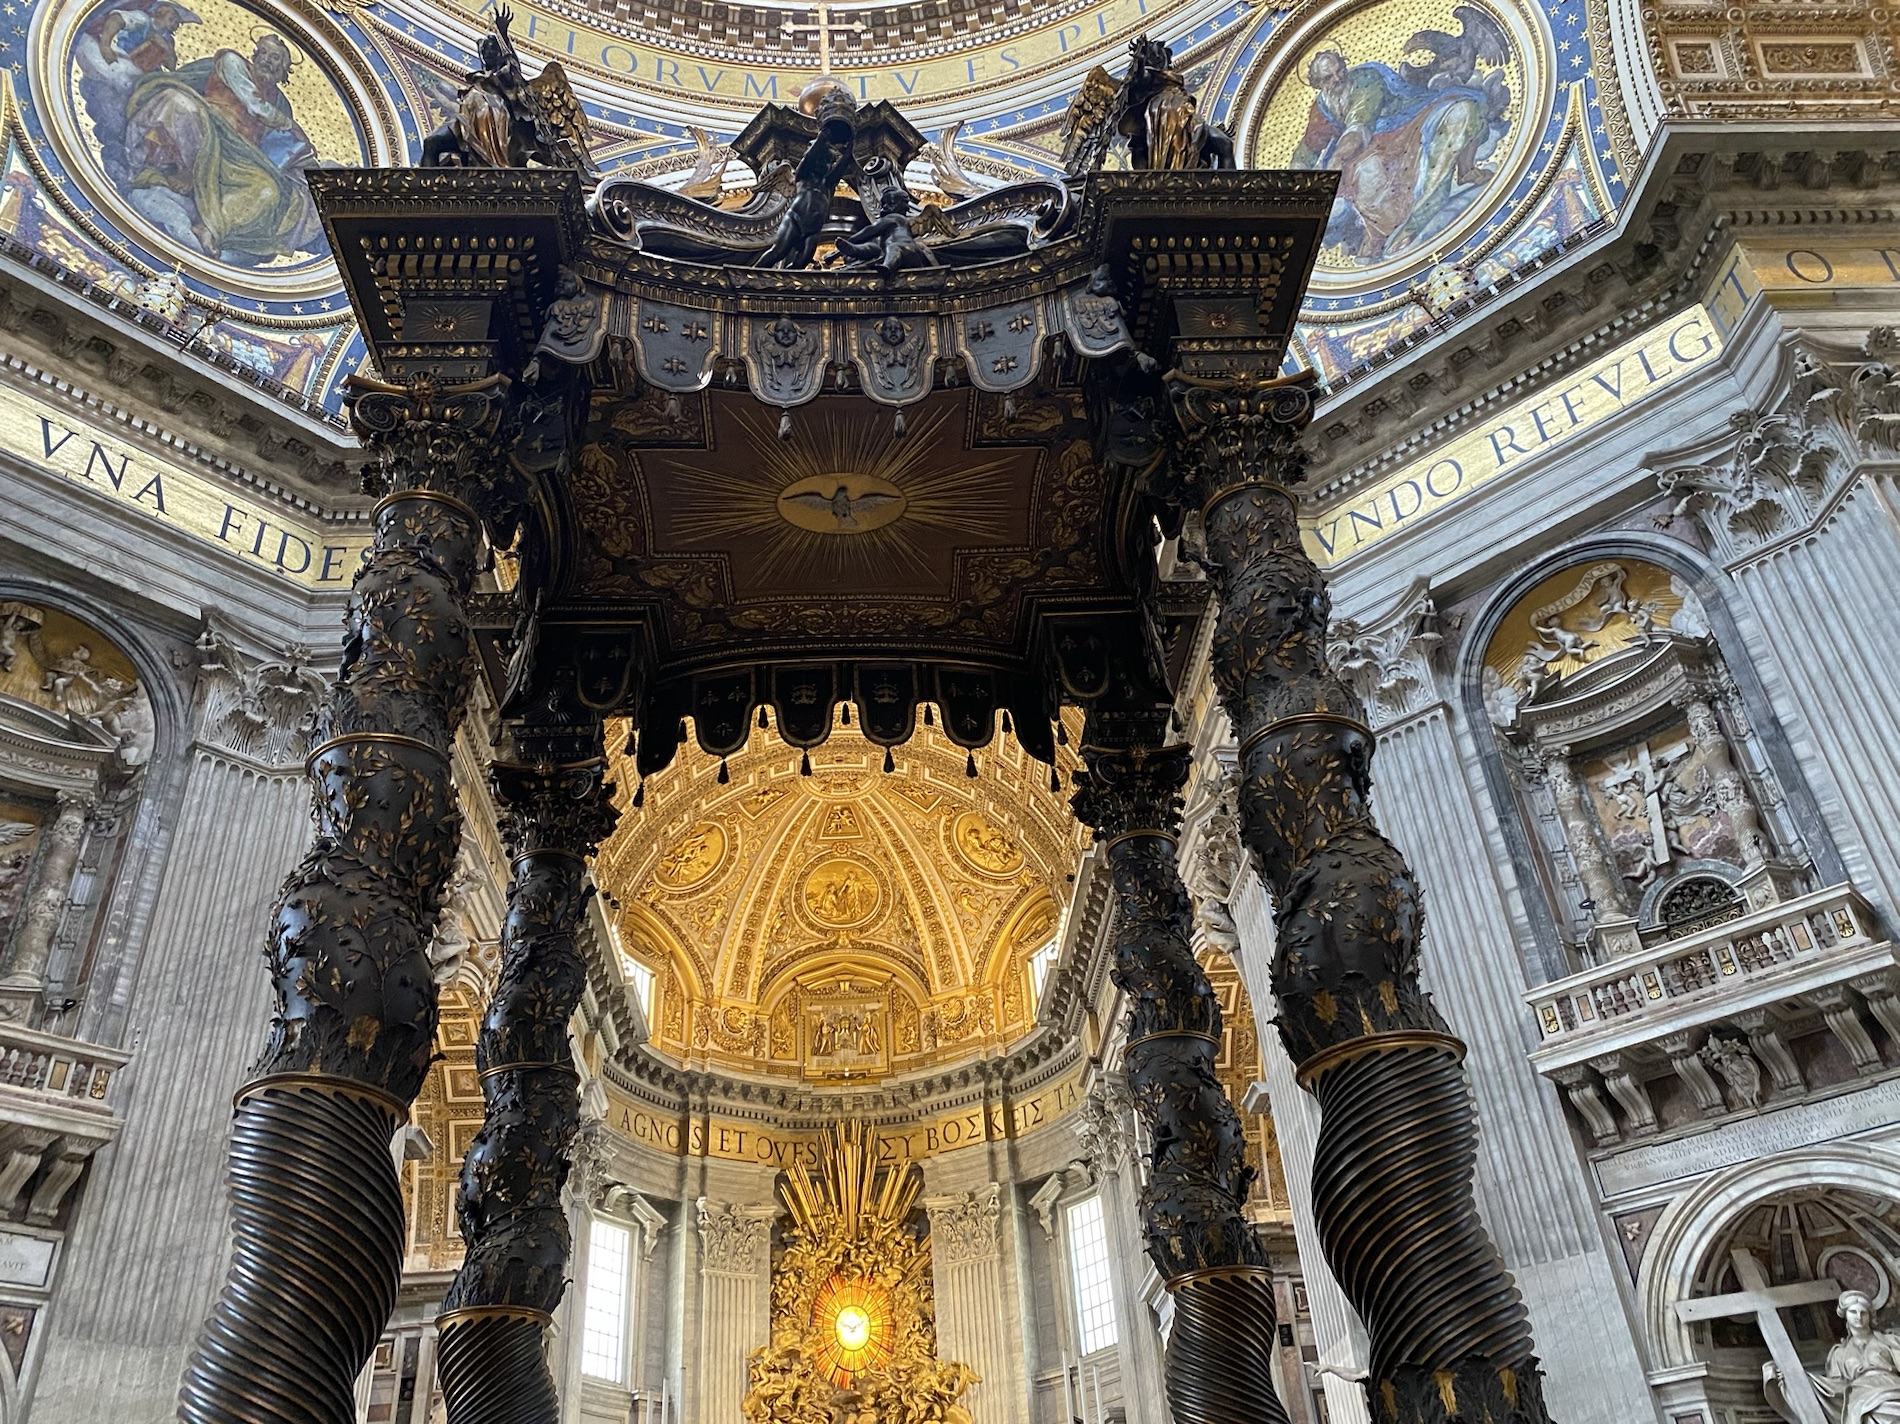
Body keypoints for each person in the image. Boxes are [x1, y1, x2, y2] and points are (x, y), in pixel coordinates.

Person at [1289, 42, 1508, 261]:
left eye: (1340, 71)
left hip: (1407, 119)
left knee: (1464, 109)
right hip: (1373, 143)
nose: (1337, 79)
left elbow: (1360, 122)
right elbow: (1309, 145)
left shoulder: (1366, 79)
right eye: (1328, 78)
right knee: (1365, 175)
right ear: (1318, 84)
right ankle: (1379, 234)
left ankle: (1455, 181)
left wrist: (1337, 159)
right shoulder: (1323, 106)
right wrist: (1296, 185)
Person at [121, 33, 327, 260]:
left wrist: (303, 158)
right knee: (177, 103)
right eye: (264, 53)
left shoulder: (281, 103)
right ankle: (188, 171)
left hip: (236, 153)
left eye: (276, 58)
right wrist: (290, 125)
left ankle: (210, 228)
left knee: (268, 188)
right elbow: (254, 105)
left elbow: (279, 146)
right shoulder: (233, 62)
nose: (267, 60)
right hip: (206, 124)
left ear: (284, 69)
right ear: (255, 54)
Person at [1768, 1289, 1900, 1424]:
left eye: (1863, 1312)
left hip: (1891, 1388)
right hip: (1860, 1396)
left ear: (1870, 1316)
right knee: (1864, 1413)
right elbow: (1836, 1387)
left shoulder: (1889, 1341)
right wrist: (1796, 1377)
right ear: (1845, 1315)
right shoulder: (1839, 1353)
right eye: (1853, 1312)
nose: (1859, 1317)